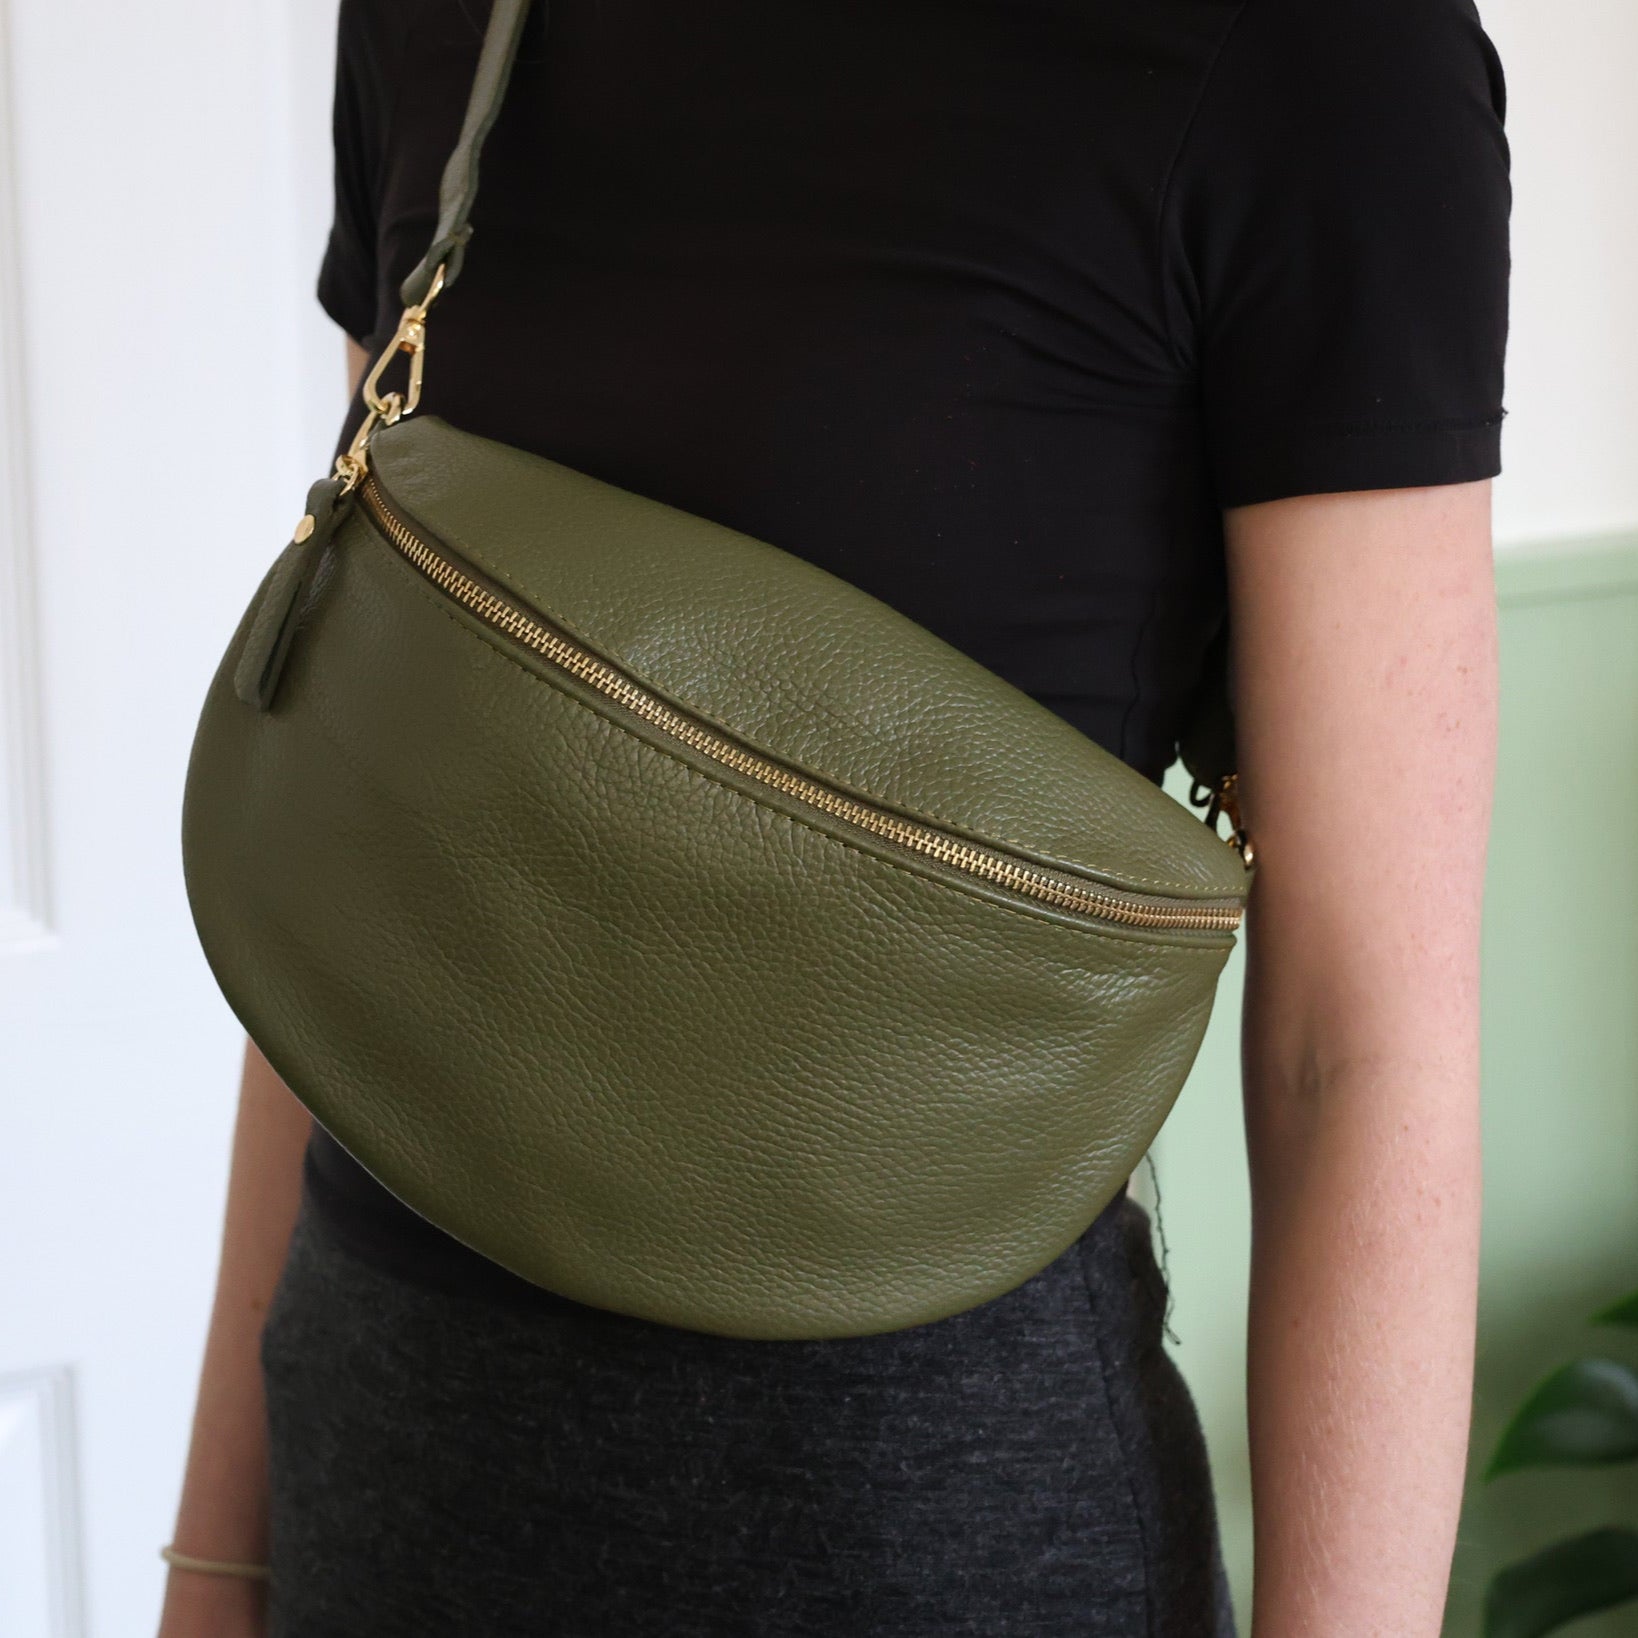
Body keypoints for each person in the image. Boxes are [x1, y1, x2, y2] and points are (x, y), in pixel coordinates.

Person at [158, 0, 1509, 1632]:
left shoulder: (1318, 57)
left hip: (941, 1546)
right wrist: (215, 1562)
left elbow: (1356, 1046)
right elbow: (363, 830)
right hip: (378, 1497)